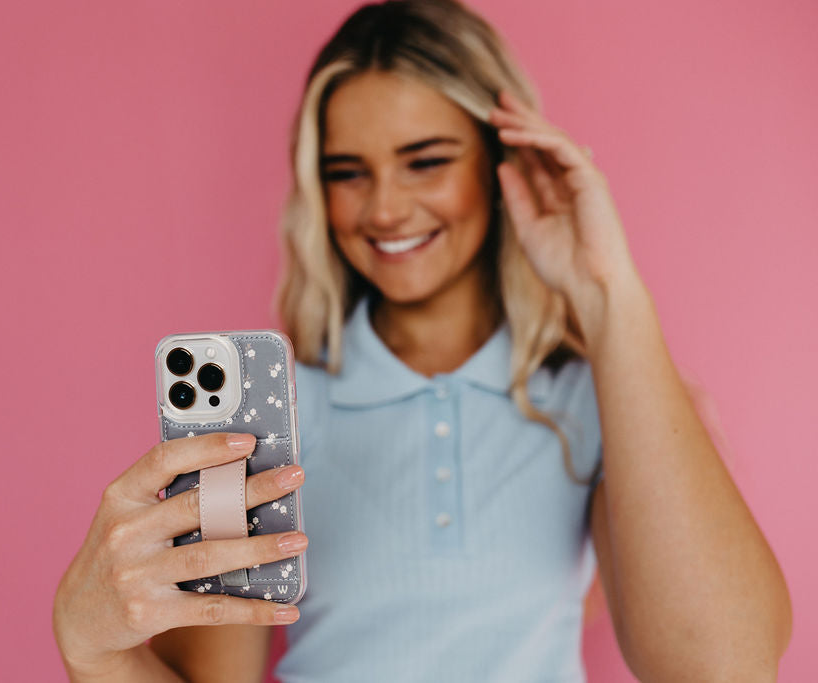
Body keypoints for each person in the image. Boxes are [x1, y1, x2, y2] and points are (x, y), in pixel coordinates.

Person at [52, 1, 792, 680]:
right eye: (348, 173)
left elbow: (724, 665)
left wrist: (610, 292)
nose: (384, 208)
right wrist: (86, 643)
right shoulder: (268, 417)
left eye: (426, 161)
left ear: (503, 163)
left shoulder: (610, 400)